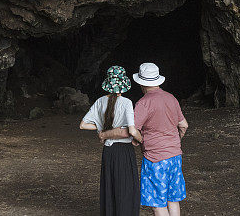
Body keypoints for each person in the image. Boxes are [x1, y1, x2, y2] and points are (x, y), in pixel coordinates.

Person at [103, 62, 189, 216]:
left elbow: (129, 131)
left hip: (156, 159)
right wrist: (174, 143)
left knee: (157, 204)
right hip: (175, 157)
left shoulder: (144, 103)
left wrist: (106, 134)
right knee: (172, 200)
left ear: (141, 83)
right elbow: (183, 125)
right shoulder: (171, 98)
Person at [80, 65, 143, 216]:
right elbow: (132, 130)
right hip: (124, 151)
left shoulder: (100, 101)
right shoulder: (126, 102)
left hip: (108, 151)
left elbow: (83, 125)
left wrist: (101, 130)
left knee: (110, 188)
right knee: (126, 189)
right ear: (124, 84)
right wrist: (140, 140)